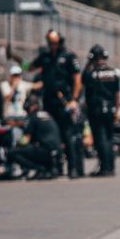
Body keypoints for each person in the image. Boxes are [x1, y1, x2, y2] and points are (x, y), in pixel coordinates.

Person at [30, 30, 83, 177]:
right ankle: (56, 167)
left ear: (60, 41)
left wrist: (74, 99)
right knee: (53, 137)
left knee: (68, 135)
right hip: (48, 101)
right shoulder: (45, 57)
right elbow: (29, 67)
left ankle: (73, 168)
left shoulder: (69, 56)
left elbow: (77, 80)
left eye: (55, 42)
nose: (52, 45)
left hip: (64, 101)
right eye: (50, 42)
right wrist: (15, 58)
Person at [83, 45, 120, 177]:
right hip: (111, 109)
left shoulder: (92, 73)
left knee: (101, 139)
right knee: (110, 139)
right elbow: (117, 93)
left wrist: (88, 62)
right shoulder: (114, 72)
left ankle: (105, 168)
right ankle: (110, 167)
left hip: (97, 110)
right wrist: (117, 109)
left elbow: (83, 79)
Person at [9, 97, 62, 178]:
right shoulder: (48, 114)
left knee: (12, 153)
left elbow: (25, 140)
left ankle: (40, 168)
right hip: (57, 151)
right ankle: (48, 168)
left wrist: (16, 145)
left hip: (45, 151)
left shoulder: (33, 117)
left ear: (32, 106)